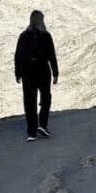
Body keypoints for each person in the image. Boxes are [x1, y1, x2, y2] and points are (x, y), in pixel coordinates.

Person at [14, 10, 59, 141]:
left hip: (27, 71)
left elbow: (17, 55)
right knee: (45, 98)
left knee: (29, 101)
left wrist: (17, 73)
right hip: (43, 69)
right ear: (41, 21)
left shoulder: (23, 36)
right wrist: (55, 73)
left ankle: (31, 132)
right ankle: (42, 125)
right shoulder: (46, 35)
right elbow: (52, 55)